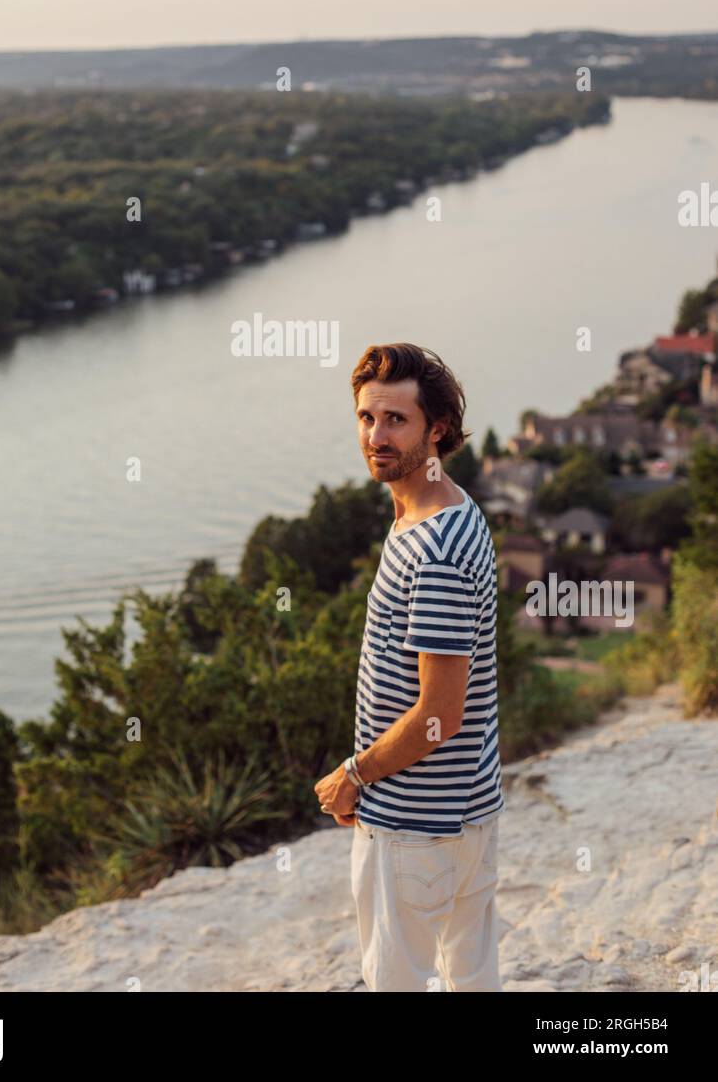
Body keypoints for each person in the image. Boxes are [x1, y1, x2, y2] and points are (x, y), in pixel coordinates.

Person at [313, 342, 505, 992]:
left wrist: (355, 775)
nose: (376, 435)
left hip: (416, 830)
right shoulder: (446, 511)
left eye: (396, 419)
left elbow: (438, 715)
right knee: (472, 980)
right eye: (367, 417)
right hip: (466, 810)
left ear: (437, 431)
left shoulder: (437, 550)